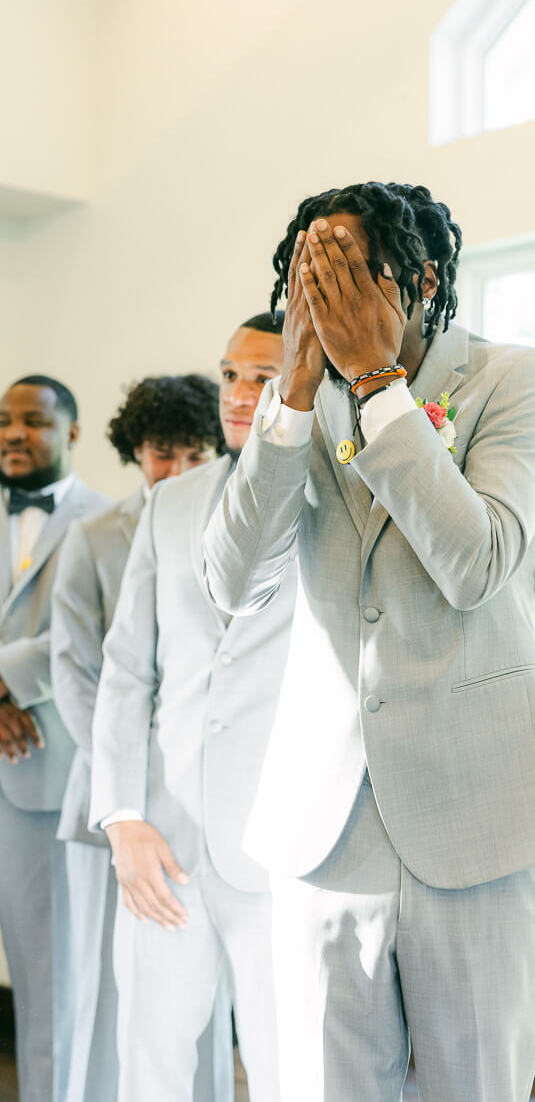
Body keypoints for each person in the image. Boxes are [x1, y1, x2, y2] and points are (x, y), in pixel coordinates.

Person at [203, 182, 535, 1102]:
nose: (325, 297)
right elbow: (232, 581)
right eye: (310, 275)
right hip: (324, 833)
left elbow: (476, 562)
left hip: (479, 822)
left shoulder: (518, 379)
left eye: (348, 271)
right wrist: (291, 395)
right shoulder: (295, 408)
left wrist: (380, 386)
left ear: (418, 280)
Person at [89, 314, 288, 1102]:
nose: (239, 395)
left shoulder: (340, 503)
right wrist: (121, 815)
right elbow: (125, 673)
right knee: (151, 1062)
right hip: (161, 847)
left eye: (264, 378)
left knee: (286, 1071)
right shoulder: (171, 507)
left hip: (281, 849)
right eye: (231, 374)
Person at [50, 373, 230, 1102]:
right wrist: (128, 791)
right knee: (111, 988)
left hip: (209, 798)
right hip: (114, 801)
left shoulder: (233, 521)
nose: (178, 472)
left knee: (201, 998)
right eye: (162, 454)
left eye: (194, 455)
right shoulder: (94, 536)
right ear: (135, 451)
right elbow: (80, 671)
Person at [0, 375, 108, 1102]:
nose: (12, 433)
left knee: (47, 974)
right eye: (4, 421)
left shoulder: (107, 522)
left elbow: (87, 635)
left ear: (71, 432)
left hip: (37, 769)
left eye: (33, 421)